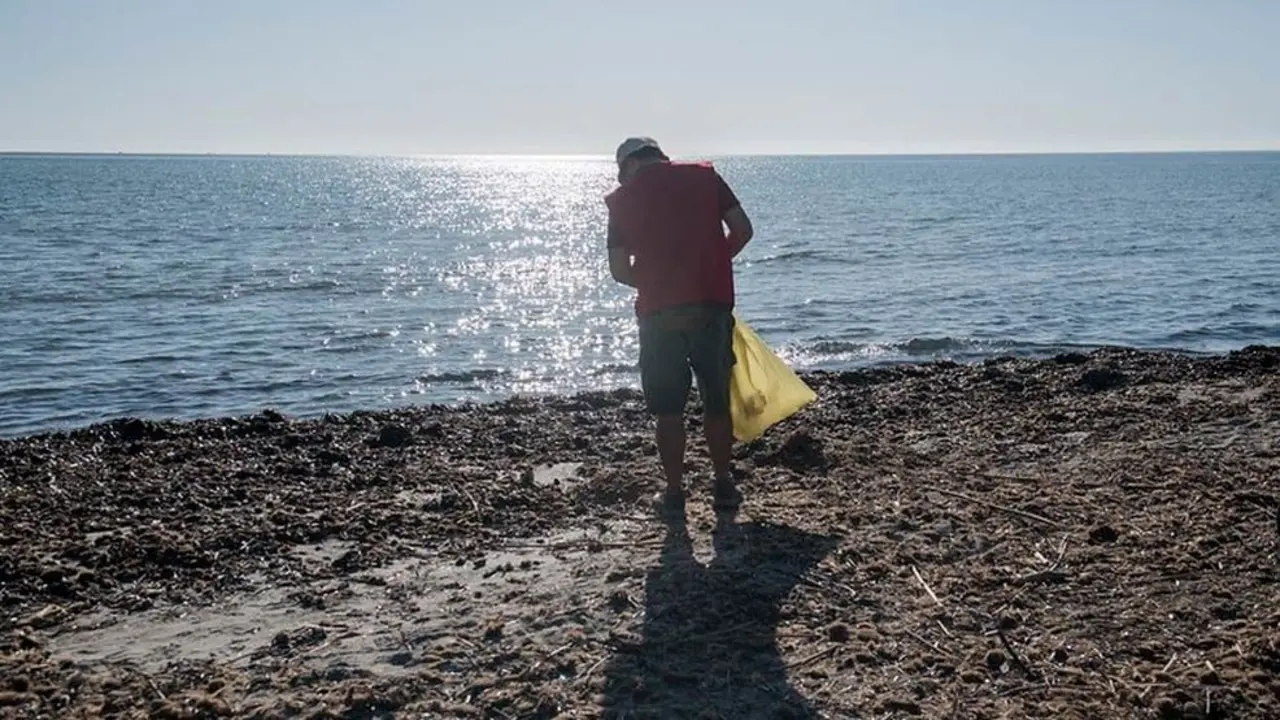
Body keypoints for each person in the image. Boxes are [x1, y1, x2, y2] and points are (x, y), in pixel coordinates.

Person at [604, 137, 754, 514]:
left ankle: (674, 494)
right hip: (711, 306)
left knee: (668, 409)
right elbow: (742, 230)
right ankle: (723, 485)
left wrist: (660, 281)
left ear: (627, 167)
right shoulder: (706, 179)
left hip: (660, 313)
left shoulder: (622, 201)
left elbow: (620, 269)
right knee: (716, 401)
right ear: (661, 157)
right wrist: (712, 265)